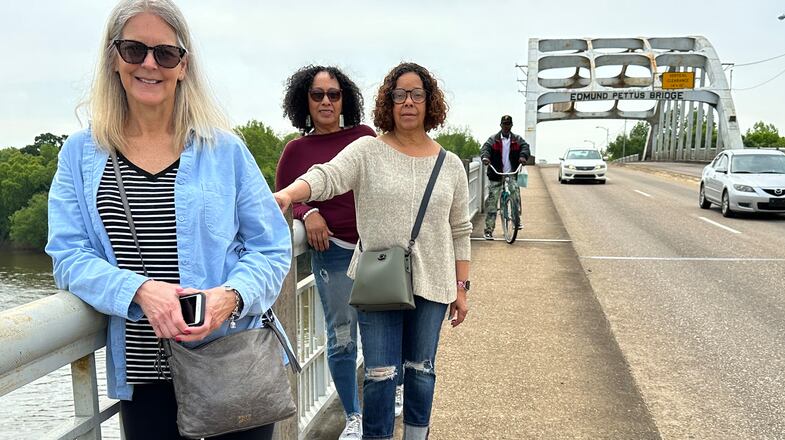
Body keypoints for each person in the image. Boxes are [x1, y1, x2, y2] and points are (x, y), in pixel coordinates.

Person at [45, 1, 291, 439]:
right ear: (113, 58)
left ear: (183, 65)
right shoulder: (80, 154)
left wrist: (230, 297)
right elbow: (68, 255)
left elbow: (271, 247)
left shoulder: (225, 150)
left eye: (165, 53)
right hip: (143, 377)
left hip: (229, 364)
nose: (149, 64)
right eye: (134, 49)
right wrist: (139, 290)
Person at [274, 62, 472, 440]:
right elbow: (327, 176)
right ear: (388, 103)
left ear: (430, 103)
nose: (408, 102)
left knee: (421, 370)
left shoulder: (452, 166)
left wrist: (462, 288)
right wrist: (288, 195)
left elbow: (460, 230)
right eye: (400, 95)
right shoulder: (367, 150)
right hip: (379, 280)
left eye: (417, 94)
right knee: (380, 375)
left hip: (434, 278)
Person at [276, 65, 376, 440]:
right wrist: (309, 212)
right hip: (331, 250)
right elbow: (284, 198)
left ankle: (385, 400)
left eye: (333, 94)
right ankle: (353, 417)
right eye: (317, 94)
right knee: (342, 335)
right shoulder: (295, 150)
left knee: (381, 330)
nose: (326, 101)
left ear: (344, 99)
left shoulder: (364, 137)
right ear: (305, 100)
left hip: (374, 252)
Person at [480, 115, 530, 240]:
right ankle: (488, 230)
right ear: (501, 125)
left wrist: (523, 156)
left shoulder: (517, 139)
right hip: (496, 174)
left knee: (515, 195)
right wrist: (485, 158)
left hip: (511, 173)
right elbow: (485, 149)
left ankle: (516, 219)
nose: (506, 126)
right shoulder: (493, 139)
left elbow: (525, 147)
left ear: (511, 125)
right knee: (492, 203)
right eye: (504, 124)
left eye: (508, 124)